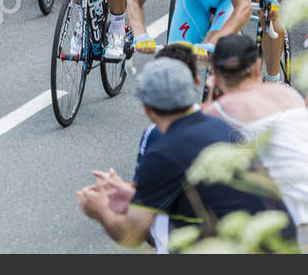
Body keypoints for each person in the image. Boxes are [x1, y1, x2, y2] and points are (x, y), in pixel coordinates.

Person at [76, 57, 295, 252]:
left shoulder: (164, 151)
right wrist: (131, 193)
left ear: (146, 108)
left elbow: (131, 235)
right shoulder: (220, 126)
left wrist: (99, 210)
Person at [202, 34, 308, 252]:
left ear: (215, 73)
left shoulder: (218, 111)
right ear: (258, 67)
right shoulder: (287, 94)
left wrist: (210, 95)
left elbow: (198, 133)